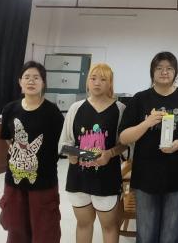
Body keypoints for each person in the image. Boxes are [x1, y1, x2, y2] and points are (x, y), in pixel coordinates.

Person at [118, 51, 178, 243]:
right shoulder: (140, 99)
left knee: (172, 235)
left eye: (169, 68)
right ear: (152, 72)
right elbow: (123, 137)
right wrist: (146, 123)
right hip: (146, 177)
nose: (164, 72)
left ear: (176, 73)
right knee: (146, 235)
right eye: (159, 68)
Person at [60, 63, 128, 243]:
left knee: (109, 226)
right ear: (87, 82)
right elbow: (65, 143)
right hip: (78, 179)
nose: (97, 83)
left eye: (103, 79)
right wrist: (73, 155)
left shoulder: (120, 109)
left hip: (107, 179)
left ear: (110, 83)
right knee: (83, 224)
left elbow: (125, 144)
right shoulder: (76, 108)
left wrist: (110, 153)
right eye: (93, 78)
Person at [0, 61, 64, 243]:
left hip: (43, 180)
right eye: (26, 77)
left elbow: (62, 142)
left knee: (45, 230)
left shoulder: (52, 112)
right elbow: (7, 138)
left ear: (43, 83)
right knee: (16, 228)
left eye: (36, 77)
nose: (31, 81)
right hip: (15, 179)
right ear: (20, 82)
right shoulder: (10, 109)